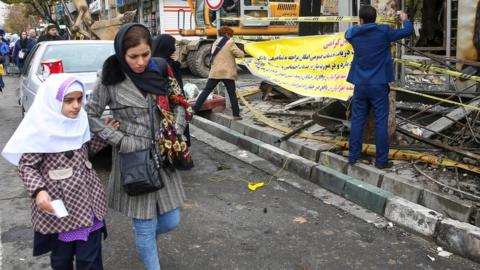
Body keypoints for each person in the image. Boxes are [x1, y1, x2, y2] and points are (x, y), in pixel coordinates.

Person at [86, 23, 187, 270]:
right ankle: (149, 254)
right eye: (133, 57)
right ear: (122, 53)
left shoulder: (161, 69)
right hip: (133, 159)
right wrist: (120, 139)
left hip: (163, 155)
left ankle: (146, 242)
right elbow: (90, 115)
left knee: (171, 220)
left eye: (145, 54)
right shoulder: (110, 77)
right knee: (144, 226)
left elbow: (180, 103)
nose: (141, 62)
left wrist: (177, 130)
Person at [1, 73, 115, 269]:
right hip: (62, 210)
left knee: (91, 261)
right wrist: (39, 191)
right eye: (68, 100)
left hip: (89, 204)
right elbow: (27, 166)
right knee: (61, 261)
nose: (76, 105)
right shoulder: (40, 130)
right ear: (52, 101)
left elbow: (85, 152)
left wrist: (104, 136)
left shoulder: (80, 121)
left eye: (80, 99)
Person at [345, 5, 413, 169]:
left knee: (357, 121)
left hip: (360, 85)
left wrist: (360, 26)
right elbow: (407, 31)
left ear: (360, 20)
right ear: (375, 19)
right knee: (381, 122)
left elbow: (348, 34)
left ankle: (353, 156)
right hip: (379, 85)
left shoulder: (353, 33)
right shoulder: (384, 31)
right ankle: (381, 161)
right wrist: (405, 20)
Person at [193, 26, 245, 120]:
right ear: (227, 34)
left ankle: (194, 109)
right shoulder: (230, 42)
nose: (230, 37)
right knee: (232, 94)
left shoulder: (215, 43)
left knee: (206, 91)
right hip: (227, 73)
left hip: (215, 72)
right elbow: (240, 54)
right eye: (230, 35)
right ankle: (236, 115)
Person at [153, 34, 192, 146]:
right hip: (169, 106)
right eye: (172, 46)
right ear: (166, 47)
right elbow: (176, 86)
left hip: (169, 105)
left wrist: (176, 63)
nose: (174, 48)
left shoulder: (157, 61)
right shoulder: (164, 64)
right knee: (173, 136)